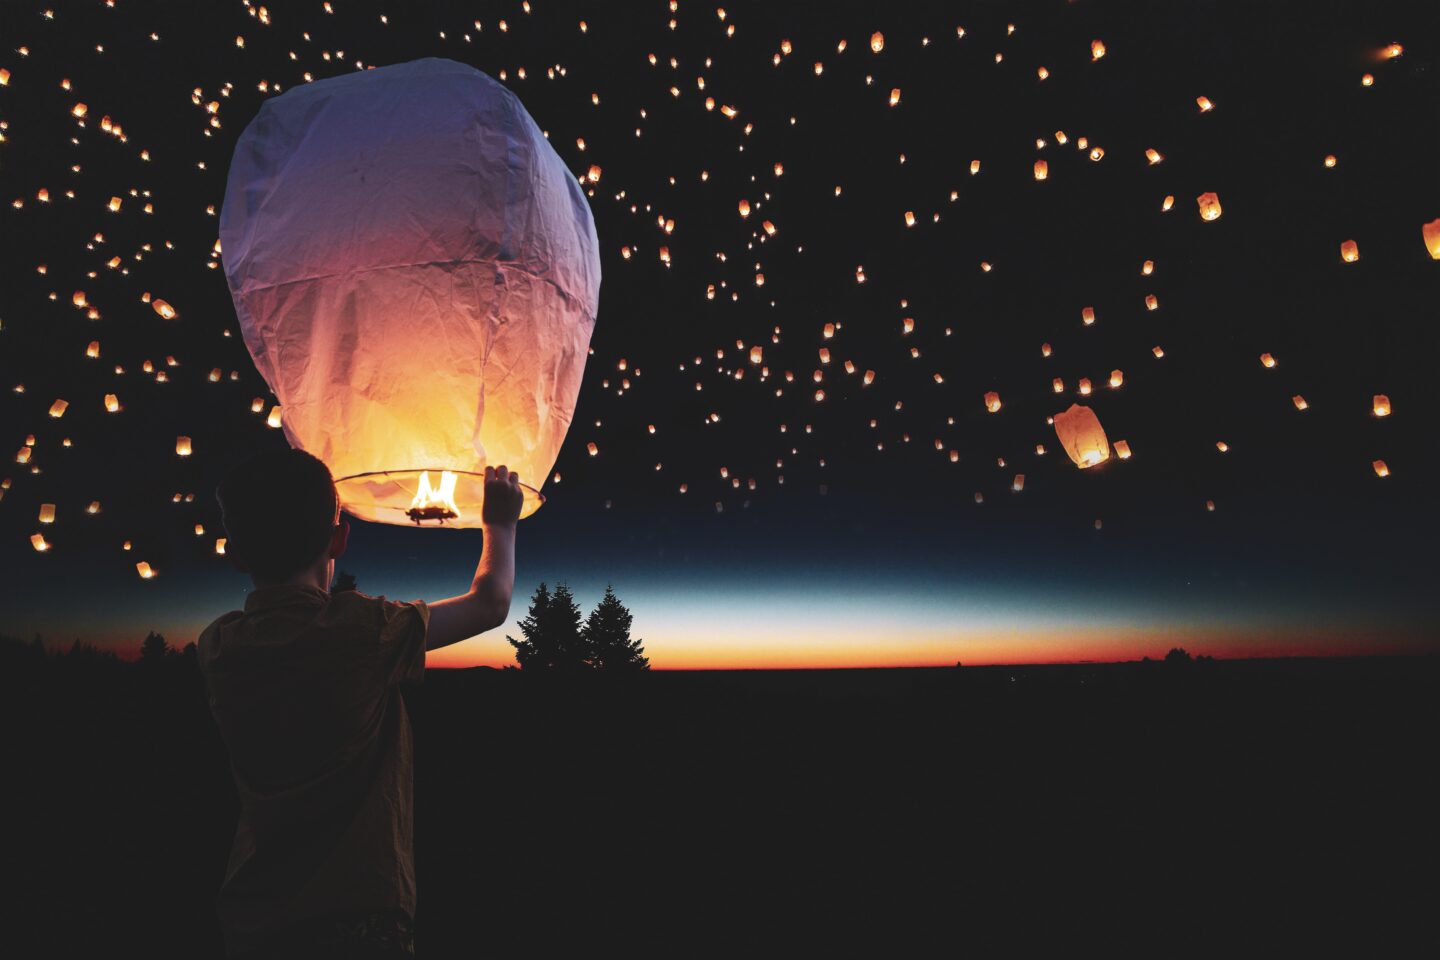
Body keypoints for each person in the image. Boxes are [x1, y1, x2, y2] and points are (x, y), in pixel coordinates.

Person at [198, 449, 523, 959]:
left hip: (253, 915)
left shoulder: (218, 646)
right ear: (339, 538)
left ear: (235, 553)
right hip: (359, 918)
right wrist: (500, 525)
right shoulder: (362, 631)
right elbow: (490, 603)